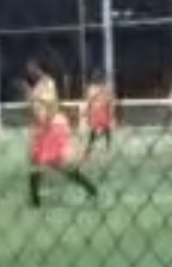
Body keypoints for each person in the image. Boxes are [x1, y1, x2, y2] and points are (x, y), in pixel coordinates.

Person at [25, 63, 97, 208]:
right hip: (45, 128)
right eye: (29, 68)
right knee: (42, 163)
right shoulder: (40, 87)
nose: (30, 70)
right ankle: (34, 198)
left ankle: (35, 199)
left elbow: (48, 106)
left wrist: (32, 98)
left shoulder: (46, 84)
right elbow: (37, 110)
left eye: (33, 67)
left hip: (51, 128)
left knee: (48, 163)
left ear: (41, 69)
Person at [82, 73, 116, 156]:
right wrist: (87, 112)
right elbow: (90, 101)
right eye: (97, 79)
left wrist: (111, 113)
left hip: (101, 111)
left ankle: (106, 146)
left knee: (105, 129)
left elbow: (109, 101)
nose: (98, 81)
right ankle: (90, 149)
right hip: (96, 112)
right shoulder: (93, 89)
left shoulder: (104, 89)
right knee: (96, 131)